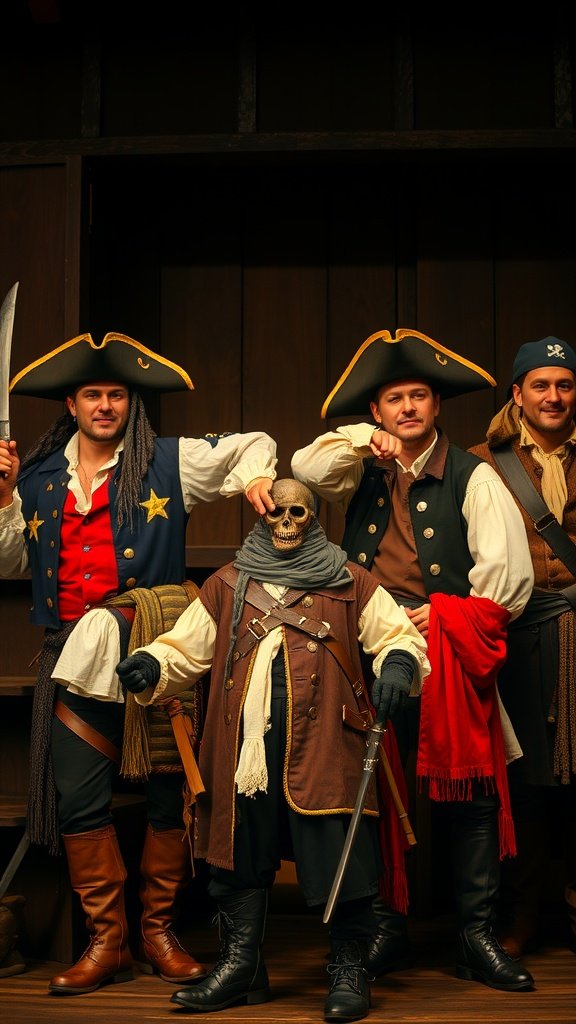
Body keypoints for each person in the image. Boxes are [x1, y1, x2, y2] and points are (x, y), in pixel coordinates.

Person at [0, 330, 277, 996]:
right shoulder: (37, 476)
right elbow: (11, 562)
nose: (104, 405)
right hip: (69, 658)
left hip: (156, 651)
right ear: (71, 402)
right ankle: (108, 941)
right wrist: (6, 495)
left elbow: (254, 445)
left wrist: (259, 476)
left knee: (165, 795)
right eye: (92, 394)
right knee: (80, 797)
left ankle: (159, 932)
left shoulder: (167, 462)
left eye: (116, 394)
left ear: (130, 402)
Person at [115, 477, 430, 1022]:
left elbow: (397, 636)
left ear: (314, 518)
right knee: (237, 854)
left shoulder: (351, 580)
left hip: (330, 740)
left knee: (341, 857)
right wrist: (152, 665)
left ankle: (349, 969)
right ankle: (242, 969)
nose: (286, 524)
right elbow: (183, 650)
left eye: (298, 514)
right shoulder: (229, 582)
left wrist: (399, 664)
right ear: (263, 520)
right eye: (277, 514)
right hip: (243, 749)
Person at [290, 328, 536, 992]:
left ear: (435, 406)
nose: (407, 408)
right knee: (370, 791)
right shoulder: (358, 467)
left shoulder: (472, 475)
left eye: (418, 396)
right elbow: (306, 470)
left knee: (472, 794)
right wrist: (354, 441)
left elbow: (508, 578)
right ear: (378, 411)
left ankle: (476, 936)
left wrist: (448, 615)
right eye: (394, 398)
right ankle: (385, 930)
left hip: (447, 648)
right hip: (369, 649)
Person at [469, 335, 576, 959]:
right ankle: (524, 908)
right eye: (541, 384)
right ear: (518, 394)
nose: (554, 396)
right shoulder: (486, 463)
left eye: (564, 385)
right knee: (523, 779)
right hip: (517, 637)